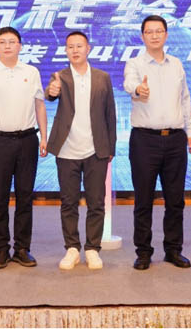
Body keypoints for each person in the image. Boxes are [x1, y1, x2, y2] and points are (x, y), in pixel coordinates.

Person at [123, 15, 191, 271]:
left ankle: (173, 250)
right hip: (144, 140)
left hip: (175, 139)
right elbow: (129, 84)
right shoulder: (134, 63)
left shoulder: (176, 64)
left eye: (159, 31)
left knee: (175, 200)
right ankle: (143, 252)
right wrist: (138, 90)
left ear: (166, 35)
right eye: (149, 32)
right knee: (143, 199)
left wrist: (190, 130)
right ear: (142, 36)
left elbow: (185, 98)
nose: (154, 35)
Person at [0, 26, 48, 269]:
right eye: (2, 42)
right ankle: (1, 250)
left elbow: (39, 105)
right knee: (0, 197)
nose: (7, 46)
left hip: (27, 140)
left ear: (20, 46)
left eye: (12, 41)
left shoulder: (31, 71)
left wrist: (44, 136)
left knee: (25, 196)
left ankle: (22, 248)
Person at [45, 31, 117, 270]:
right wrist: (52, 91)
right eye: (70, 47)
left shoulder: (102, 77)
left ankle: (93, 248)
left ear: (88, 49)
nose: (74, 50)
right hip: (67, 150)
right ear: (65, 50)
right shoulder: (60, 77)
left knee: (96, 203)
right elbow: (50, 93)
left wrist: (111, 146)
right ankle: (72, 248)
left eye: (79, 46)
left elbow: (110, 113)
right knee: (69, 202)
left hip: (96, 150)